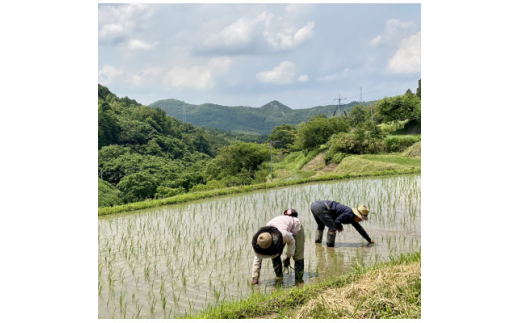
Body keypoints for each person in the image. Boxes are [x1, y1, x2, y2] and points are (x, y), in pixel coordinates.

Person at [251, 208, 305, 285]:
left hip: (295, 226)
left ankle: (299, 281)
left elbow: (291, 242)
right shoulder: (262, 241)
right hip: (281, 226)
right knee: (275, 255)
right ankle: (279, 277)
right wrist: (255, 278)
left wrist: (288, 257)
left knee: (298, 255)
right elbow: (257, 261)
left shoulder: (284, 235)